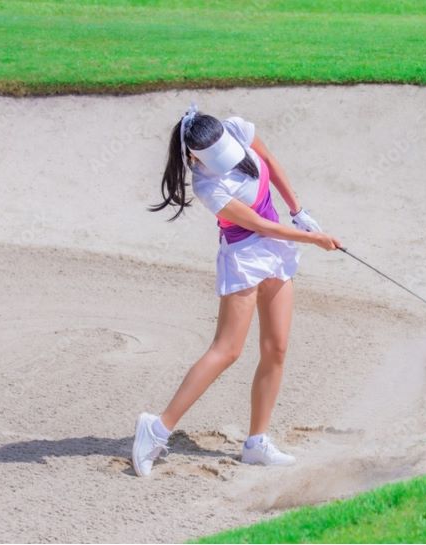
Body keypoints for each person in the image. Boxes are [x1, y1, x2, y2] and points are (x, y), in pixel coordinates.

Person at [133, 102, 343, 477]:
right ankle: (157, 428)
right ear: (194, 157)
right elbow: (261, 226)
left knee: (276, 347)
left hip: (276, 250)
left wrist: (298, 210)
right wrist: (314, 238)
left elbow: (270, 163)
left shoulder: (236, 129)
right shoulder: (208, 187)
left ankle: (256, 442)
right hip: (244, 257)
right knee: (227, 349)